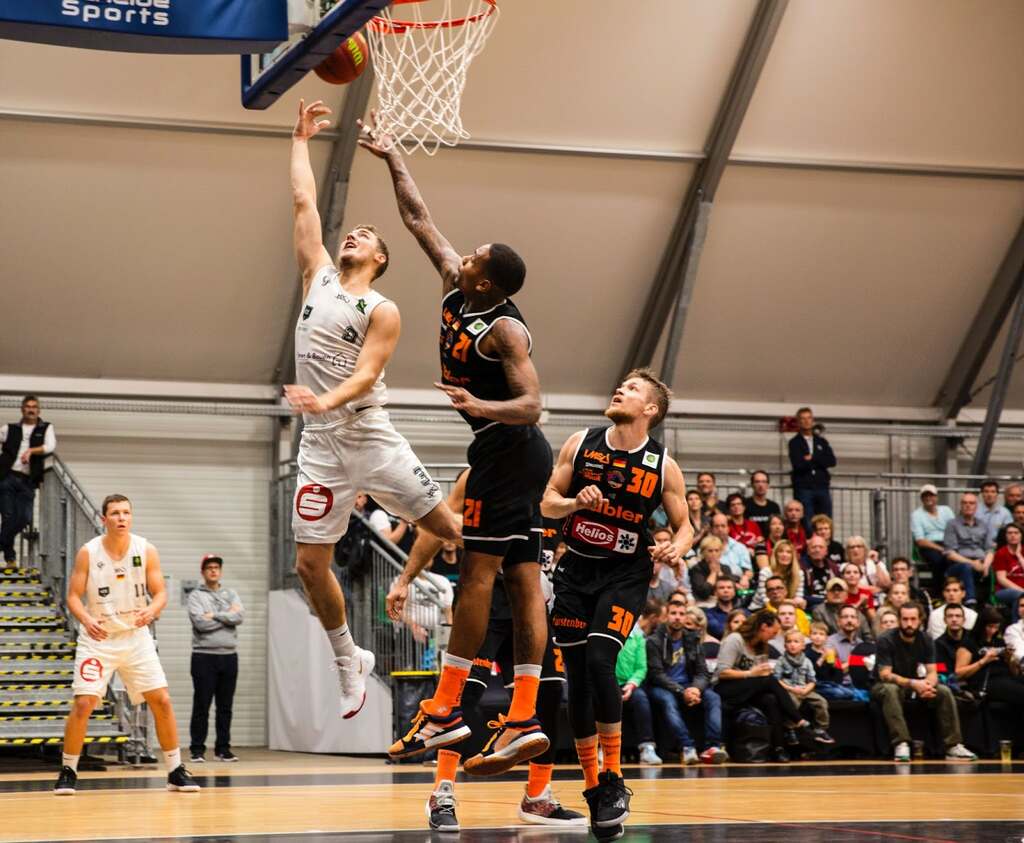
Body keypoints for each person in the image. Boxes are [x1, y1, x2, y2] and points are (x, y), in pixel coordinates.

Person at [364, 112, 554, 772]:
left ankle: (445, 708)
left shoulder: (505, 331)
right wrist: (391, 156)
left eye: (473, 257)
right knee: (525, 579)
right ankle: (523, 714)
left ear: (487, 282)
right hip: (513, 455)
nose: (461, 254)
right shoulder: (456, 285)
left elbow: (535, 403)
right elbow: (419, 219)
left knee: (477, 574)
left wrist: (482, 403)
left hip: (510, 448)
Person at [286, 100, 460, 721]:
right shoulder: (320, 276)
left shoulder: (380, 309)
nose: (351, 233)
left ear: (381, 258)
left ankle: (510, 598)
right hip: (319, 445)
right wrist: (300, 138)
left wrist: (323, 398)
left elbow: (365, 377)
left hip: (368, 434)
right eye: (350, 232)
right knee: (310, 565)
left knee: (451, 530)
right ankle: (347, 659)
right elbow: (305, 204)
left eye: (365, 235)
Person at [386, 470, 584, 831]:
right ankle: (441, 792)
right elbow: (436, 524)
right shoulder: (480, 474)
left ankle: (537, 797)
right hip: (487, 604)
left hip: (533, 606)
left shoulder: (554, 482)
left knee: (551, 693)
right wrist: (405, 579)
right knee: (465, 697)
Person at [542, 369, 693, 837]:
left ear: (650, 409)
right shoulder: (580, 443)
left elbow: (685, 524)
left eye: (632, 389)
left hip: (625, 574)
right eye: (620, 385)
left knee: (603, 660)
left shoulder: (662, 463)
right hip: (576, 572)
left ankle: (614, 778)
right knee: (580, 680)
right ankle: (594, 788)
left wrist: (677, 548)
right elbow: (547, 502)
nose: (620, 390)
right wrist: (573, 505)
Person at [54, 495, 198, 795]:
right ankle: (68, 770)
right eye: (115, 513)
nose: (122, 518)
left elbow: (160, 593)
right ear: (104, 519)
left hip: (135, 638)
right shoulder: (88, 552)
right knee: (84, 704)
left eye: (126, 512)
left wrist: (153, 609)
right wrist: (85, 619)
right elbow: (72, 596)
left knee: (162, 700)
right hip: (99, 639)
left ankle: (175, 770)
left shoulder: (146, 550)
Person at [871, 604, 977, 761]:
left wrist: (928, 685)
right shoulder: (886, 639)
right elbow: (885, 674)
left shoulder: (926, 639)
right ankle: (901, 743)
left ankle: (953, 746)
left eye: (913, 619)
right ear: (899, 620)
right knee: (890, 689)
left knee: (944, 691)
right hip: (884, 685)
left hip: (916, 684)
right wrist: (915, 684)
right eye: (905, 619)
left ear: (920, 620)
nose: (909, 623)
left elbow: (932, 671)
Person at [713, 610, 814, 762]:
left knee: (770, 699)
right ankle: (798, 720)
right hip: (726, 688)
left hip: (748, 688)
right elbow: (722, 672)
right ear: (763, 627)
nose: (774, 637)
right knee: (768, 680)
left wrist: (757, 674)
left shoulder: (761, 645)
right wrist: (751, 673)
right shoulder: (735, 639)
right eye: (773, 632)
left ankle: (779, 748)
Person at [646, 601, 728, 765]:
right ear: (666, 616)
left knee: (713, 698)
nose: (677, 617)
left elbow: (702, 671)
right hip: (663, 687)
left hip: (690, 686)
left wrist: (695, 689)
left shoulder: (693, 639)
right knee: (667, 701)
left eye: (681, 614)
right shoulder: (654, 640)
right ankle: (687, 746)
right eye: (673, 613)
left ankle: (712, 747)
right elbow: (656, 675)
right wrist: (680, 690)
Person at [187, 554, 244, 763]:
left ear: (220, 571)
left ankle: (223, 749)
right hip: (204, 657)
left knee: (225, 706)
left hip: (228, 656)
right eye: (209, 567)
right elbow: (200, 624)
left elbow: (240, 616)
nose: (213, 571)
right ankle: (197, 749)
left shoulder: (231, 593)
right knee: (202, 705)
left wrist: (214, 615)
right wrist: (226, 615)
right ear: (203, 572)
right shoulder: (195, 596)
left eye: (216, 568)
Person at [0, 396, 56, 565]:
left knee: (24, 517)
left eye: (34, 407)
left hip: (28, 480)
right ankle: (10, 558)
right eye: (27, 406)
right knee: (8, 517)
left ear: (39, 410)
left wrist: (31, 450)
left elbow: (50, 446)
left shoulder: (45, 427)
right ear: (22, 409)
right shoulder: (9, 428)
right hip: (7, 477)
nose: (31, 409)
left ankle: (2, 543)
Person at [620, 600, 663, 766]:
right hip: (606, 682)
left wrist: (631, 684)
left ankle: (647, 748)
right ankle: (600, 749)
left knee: (641, 699)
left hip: (628, 684)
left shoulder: (638, 637)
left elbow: (641, 667)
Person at [774, 629, 835, 745]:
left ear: (803, 646)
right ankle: (789, 729)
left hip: (804, 689)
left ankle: (820, 729)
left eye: (796, 642)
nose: (792, 644)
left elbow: (812, 680)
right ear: (785, 645)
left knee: (821, 702)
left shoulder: (807, 661)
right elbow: (777, 679)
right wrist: (791, 689)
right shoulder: (781, 661)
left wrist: (806, 689)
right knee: (792, 702)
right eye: (789, 642)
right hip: (789, 689)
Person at [787, 407, 836, 528]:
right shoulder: (794, 443)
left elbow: (831, 461)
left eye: (809, 418)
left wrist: (812, 458)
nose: (806, 421)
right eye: (803, 419)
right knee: (807, 522)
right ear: (798, 422)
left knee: (825, 520)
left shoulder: (821, 441)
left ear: (813, 420)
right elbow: (798, 464)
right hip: (804, 488)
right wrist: (819, 460)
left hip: (822, 486)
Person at [942, 492, 993, 606]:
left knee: (992, 569)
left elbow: (990, 550)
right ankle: (970, 600)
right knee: (967, 567)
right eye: (965, 503)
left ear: (976, 506)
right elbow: (950, 553)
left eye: (971, 503)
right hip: (958, 564)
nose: (968, 505)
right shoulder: (952, 524)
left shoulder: (983, 524)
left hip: (981, 562)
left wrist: (986, 565)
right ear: (961, 505)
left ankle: (988, 602)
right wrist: (972, 563)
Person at [911, 484, 956, 592]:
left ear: (936, 497)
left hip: (948, 542)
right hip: (929, 545)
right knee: (938, 560)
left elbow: (954, 528)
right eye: (925, 496)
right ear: (921, 499)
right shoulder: (916, 515)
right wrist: (941, 549)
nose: (928, 498)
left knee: (959, 559)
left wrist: (949, 546)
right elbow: (920, 540)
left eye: (931, 495)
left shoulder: (946, 510)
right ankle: (939, 591)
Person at [806, 621, 863, 702]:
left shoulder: (829, 651)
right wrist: (822, 658)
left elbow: (837, 675)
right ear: (810, 636)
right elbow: (812, 674)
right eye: (814, 634)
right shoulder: (807, 651)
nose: (818, 637)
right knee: (839, 693)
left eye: (821, 634)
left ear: (826, 637)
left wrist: (834, 663)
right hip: (815, 684)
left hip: (830, 683)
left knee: (850, 693)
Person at [749, 540, 804, 610]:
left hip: (788, 608)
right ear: (775, 555)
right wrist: (789, 602)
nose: (784, 555)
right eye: (781, 551)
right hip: (761, 608)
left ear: (793, 556)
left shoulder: (799, 573)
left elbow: (799, 598)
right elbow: (766, 601)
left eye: (788, 552)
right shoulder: (765, 573)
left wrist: (800, 602)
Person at [709, 512, 755, 589]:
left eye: (723, 526)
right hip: (715, 587)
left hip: (738, 584)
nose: (720, 529)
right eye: (716, 526)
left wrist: (745, 578)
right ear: (711, 529)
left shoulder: (740, 547)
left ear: (728, 528)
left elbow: (748, 570)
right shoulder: (706, 548)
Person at [991, 523, 1024, 618]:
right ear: (1005, 536)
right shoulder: (1001, 553)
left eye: (1016, 533)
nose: (1013, 535)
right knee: (1019, 596)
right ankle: (1016, 627)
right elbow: (1002, 579)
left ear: (1021, 535)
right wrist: (1022, 591)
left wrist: (1019, 556)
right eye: (1009, 533)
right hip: (1004, 590)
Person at [802, 534, 838, 609]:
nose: (817, 550)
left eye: (821, 547)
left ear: (826, 551)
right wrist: (825, 600)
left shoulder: (833, 568)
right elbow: (802, 595)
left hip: (832, 605)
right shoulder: (801, 567)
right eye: (813, 547)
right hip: (811, 606)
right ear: (808, 551)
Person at [705, 576, 746, 641]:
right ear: (715, 592)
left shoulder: (745, 612)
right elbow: (718, 631)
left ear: (734, 592)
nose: (726, 590)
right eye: (721, 588)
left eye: (729, 587)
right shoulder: (709, 614)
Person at [744, 470, 781, 539]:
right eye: (757, 482)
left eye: (764, 482)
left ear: (768, 485)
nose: (760, 485)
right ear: (752, 485)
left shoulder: (774, 507)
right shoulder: (744, 505)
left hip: (769, 545)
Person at [977, 480, 1013, 544]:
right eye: (986, 491)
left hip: (998, 546)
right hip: (977, 546)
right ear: (982, 494)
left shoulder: (1005, 513)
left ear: (997, 494)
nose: (989, 494)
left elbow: (1010, 533)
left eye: (993, 492)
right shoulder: (974, 511)